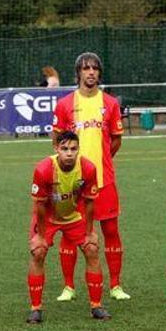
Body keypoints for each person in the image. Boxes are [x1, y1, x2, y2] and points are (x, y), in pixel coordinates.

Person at [52, 52, 129, 302]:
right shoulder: (65, 104)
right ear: (78, 73)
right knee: (70, 233)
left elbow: (116, 140)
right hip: (72, 183)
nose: (91, 72)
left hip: (104, 180)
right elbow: (57, 140)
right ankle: (68, 286)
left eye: (95, 68)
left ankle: (115, 285)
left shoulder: (110, 103)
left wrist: (102, 161)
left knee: (111, 231)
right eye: (86, 68)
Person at [26, 130, 111, 324]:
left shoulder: (88, 168)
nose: (69, 153)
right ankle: (35, 308)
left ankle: (96, 306)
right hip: (47, 218)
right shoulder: (43, 169)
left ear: (78, 149)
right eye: (64, 148)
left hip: (75, 215)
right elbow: (39, 205)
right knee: (38, 252)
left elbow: (90, 202)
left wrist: (89, 232)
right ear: (56, 149)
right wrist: (39, 235)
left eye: (73, 148)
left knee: (91, 249)